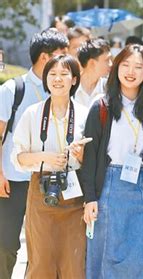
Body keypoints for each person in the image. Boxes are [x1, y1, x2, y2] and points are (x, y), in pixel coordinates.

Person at [81, 44, 143, 278]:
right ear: (117, 68)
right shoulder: (102, 105)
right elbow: (89, 157)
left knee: (141, 259)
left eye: (138, 67)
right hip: (109, 184)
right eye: (125, 65)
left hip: (142, 184)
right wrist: (90, 198)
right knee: (106, 257)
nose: (131, 71)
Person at [11, 54, 89, 278]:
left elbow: (91, 162)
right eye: (52, 74)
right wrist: (43, 157)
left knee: (74, 264)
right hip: (41, 192)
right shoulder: (32, 113)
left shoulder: (85, 114)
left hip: (75, 194)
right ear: (45, 79)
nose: (58, 79)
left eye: (64, 74)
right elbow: (18, 158)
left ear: (74, 79)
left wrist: (80, 155)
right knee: (41, 262)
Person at [0, 29, 68, 278]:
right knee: (5, 245)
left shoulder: (63, 88)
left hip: (48, 180)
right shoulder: (12, 89)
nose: (66, 61)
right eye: (61, 55)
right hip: (13, 181)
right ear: (44, 57)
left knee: (42, 249)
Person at [75, 38, 112, 108]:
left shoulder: (109, 88)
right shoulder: (70, 87)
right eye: (107, 60)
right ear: (91, 63)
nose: (111, 64)